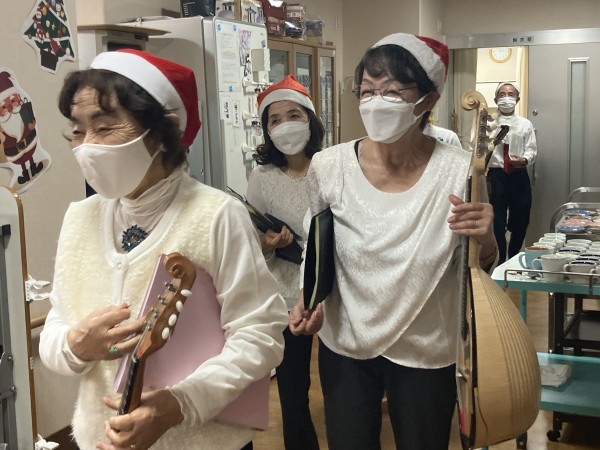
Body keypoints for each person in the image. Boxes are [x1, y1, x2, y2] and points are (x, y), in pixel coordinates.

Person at [38, 49, 288, 450]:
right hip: (100, 439)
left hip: (203, 441)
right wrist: (74, 346)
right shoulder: (80, 217)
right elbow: (57, 322)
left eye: (104, 128)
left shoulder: (216, 215)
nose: (87, 147)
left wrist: (181, 403)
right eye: (78, 131)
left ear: (163, 130)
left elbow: (260, 334)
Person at [289, 33, 497, 450]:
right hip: (346, 344)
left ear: (428, 99)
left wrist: (487, 237)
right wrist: (308, 298)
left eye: (393, 92)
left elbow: (478, 266)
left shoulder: (460, 172)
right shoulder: (329, 166)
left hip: (427, 348)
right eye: (367, 91)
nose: (376, 102)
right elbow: (318, 243)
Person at [245, 75, 324, 450]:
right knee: (293, 387)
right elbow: (252, 241)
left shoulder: (330, 166)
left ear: (310, 118)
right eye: (275, 119)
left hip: (332, 288)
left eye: (294, 115)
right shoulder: (262, 177)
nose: (285, 125)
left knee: (342, 380)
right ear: (266, 130)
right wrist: (269, 243)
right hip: (285, 293)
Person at [488, 81, 537, 264]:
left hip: (518, 175)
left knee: (521, 219)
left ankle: (514, 257)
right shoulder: (488, 125)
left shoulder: (525, 124)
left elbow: (531, 149)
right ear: (495, 99)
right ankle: (501, 260)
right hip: (496, 177)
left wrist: (523, 160)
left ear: (517, 99)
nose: (506, 98)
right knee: (497, 222)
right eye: (502, 94)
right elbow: (476, 148)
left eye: (510, 94)